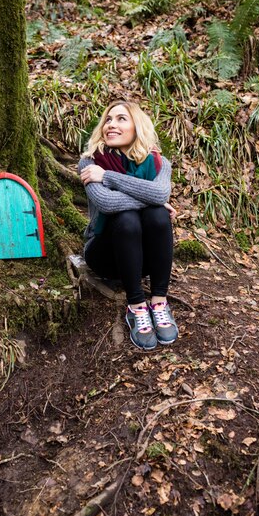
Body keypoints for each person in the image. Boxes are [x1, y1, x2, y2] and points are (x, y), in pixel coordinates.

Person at [78, 100, 178, 350]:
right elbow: (108, 203)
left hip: (142, 259)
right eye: (108, 119)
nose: (111, 124)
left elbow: (161, 195)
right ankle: (136, 306)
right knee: (128, 216)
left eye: (121, 119)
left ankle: (159, 301)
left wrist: (108, 177)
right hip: (104, 255)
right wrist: (150, 198)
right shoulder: (90, 162)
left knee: (158, 215)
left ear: (137, 126)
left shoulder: (158, 162)